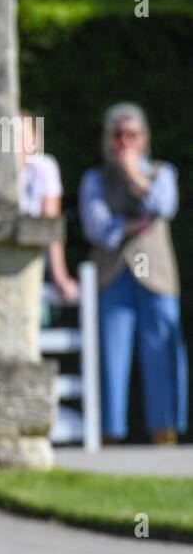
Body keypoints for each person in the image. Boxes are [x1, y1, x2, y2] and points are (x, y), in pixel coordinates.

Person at [79, 102, 186, 445]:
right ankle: (109, 432)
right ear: (108, 140)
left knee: (161, 353)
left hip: (156, 276)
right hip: (113, 275)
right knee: (111, 356)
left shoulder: (162, 172)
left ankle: (164, 429)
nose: (125, 142)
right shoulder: (94, 179)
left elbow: (163, 206)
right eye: (118, 135)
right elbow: (98, 229)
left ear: (144, 138)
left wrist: (135, 179)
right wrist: (133, 224)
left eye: (132, 135)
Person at [17, 111, 79, 312]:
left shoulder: (44, 168)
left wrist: (60, 276)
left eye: (21, 135)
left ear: (35, 139)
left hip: (34, 261)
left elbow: (50, 226)